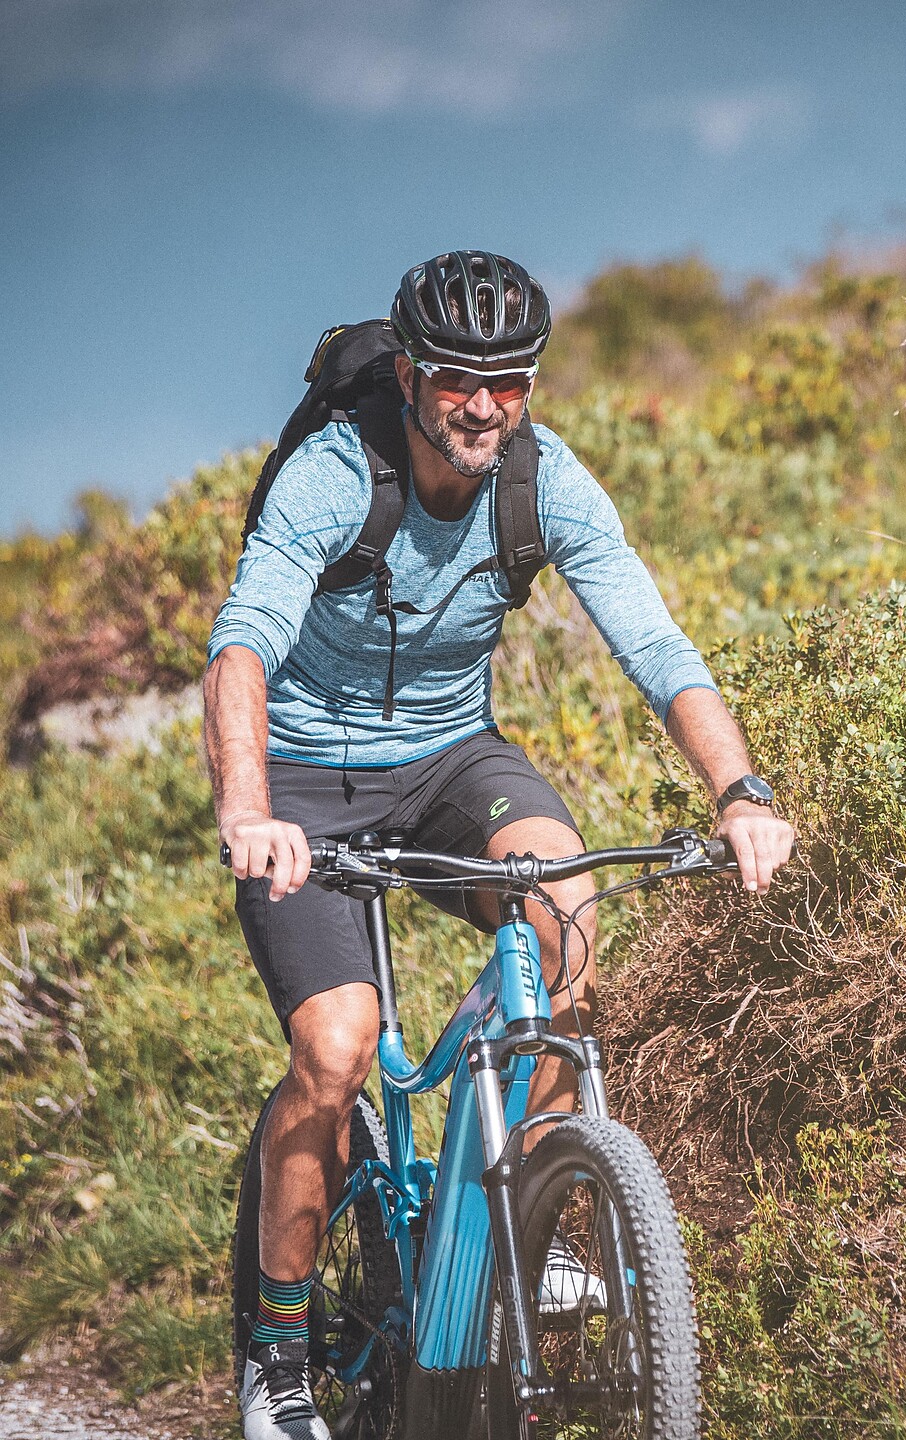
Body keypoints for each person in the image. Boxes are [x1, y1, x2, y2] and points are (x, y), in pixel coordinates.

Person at [204, 250, 796, 1440]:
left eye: (512, 381)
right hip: (307, 783)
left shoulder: (542, 478)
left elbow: (655, 643)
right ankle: (276, 1355)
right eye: (463, 380)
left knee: (567, 917)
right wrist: (250, 811)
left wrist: (740, 789)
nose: (486, 406)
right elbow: (242, 651)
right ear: (415, 375)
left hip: (448, 763)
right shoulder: (334, 475)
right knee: (339, 1044)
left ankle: (524, 1227)